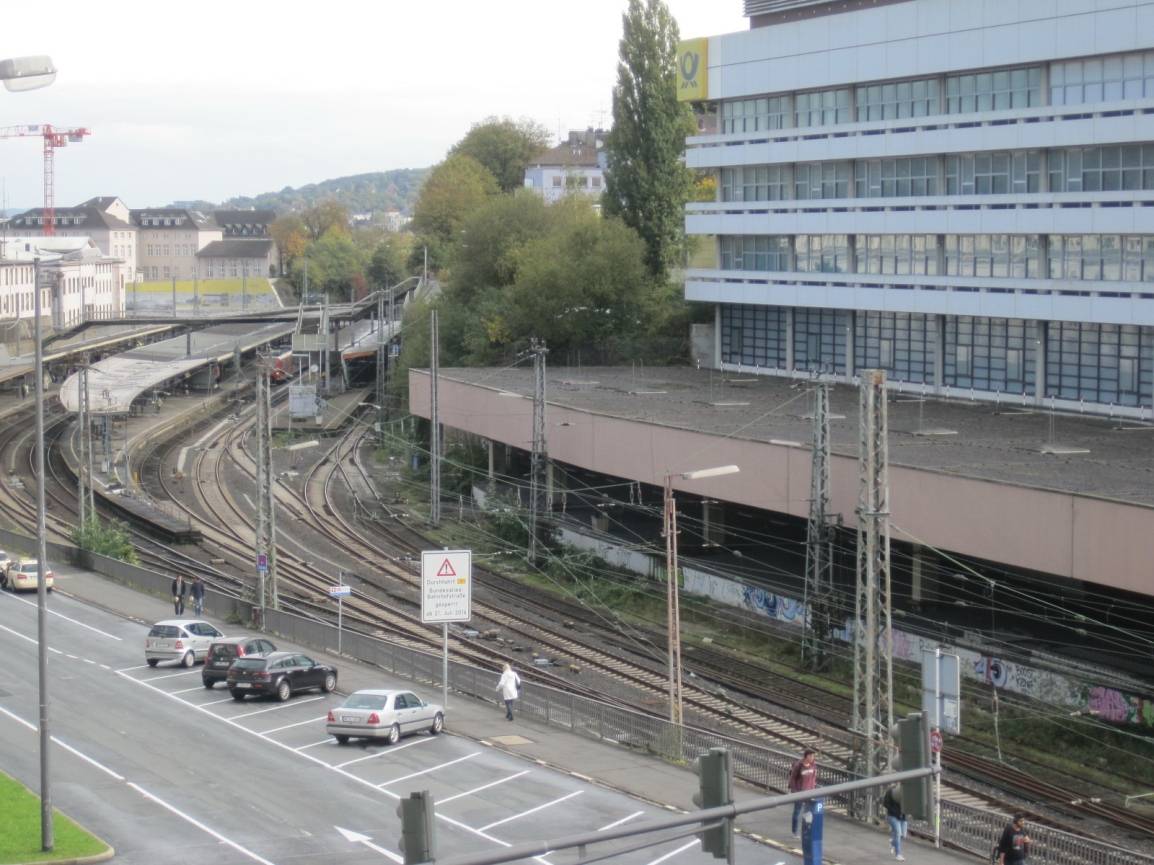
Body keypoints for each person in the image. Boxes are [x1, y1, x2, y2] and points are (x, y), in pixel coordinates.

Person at [787, 748, 818, 836]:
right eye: (811, 756)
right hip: (800, 792)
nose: (813, 757)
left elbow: (813, 777)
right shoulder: (798, 765)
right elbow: (792, 778)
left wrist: (813, 788)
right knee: (797, 812)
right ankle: (795, 832)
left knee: (808, 813)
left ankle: (806, 832)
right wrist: (794, 791)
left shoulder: (813, 764)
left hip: (810, 792)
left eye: (813, 756)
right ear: (806, 756)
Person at [883, 784, 907, 861]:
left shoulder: (905, 791)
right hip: (892, 816)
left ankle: (893, 842)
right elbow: (885, 803)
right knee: (898, 833)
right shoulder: (890, 791)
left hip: (902, 817)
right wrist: (894, 811)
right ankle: (898, 854)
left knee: (903, 834)